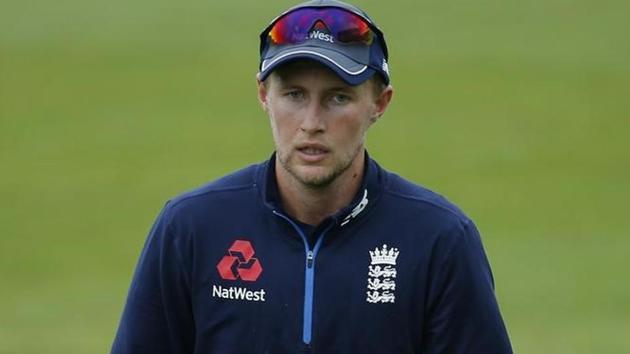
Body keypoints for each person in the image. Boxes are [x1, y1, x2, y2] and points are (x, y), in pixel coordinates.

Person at [111, 0, 513, 353]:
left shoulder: (438, 240)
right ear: (264, 96)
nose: (311, 123)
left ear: (379, 103)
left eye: (338, 98)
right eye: (294, 95)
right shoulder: (191, 228)